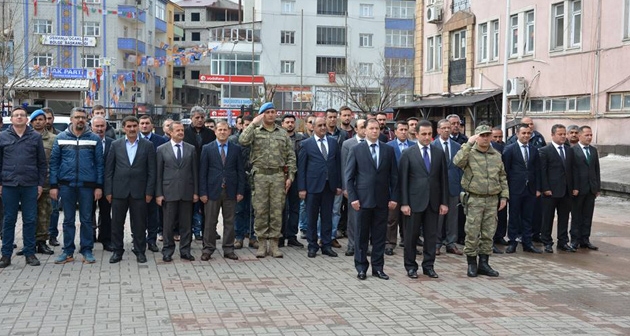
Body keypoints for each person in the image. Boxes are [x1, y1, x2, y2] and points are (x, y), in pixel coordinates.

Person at [239, 102, 296, 258]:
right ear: (262, 114)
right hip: (260, 176)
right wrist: (252, 123)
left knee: (277, 211)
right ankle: (262, 243)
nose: (271, 114)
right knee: (261, 210)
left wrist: (290, 176)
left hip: (278, 176)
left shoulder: (282, 133)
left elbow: (290, 155)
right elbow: (242, 140)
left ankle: (275, 244)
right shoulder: (255, 131)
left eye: (273, 111)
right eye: (268, 112)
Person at [49, 107, 104, 264]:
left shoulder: (94, 139)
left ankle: (87, 250)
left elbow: (100, 165)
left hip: (87, 186)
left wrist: (99, 186)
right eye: (77, 117)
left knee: (87, 219)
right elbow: (54, 163)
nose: (80, 120)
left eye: (83, 117)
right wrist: (54, 185)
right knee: (68, 220)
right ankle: (68, 251)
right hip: (67, 186)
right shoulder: (60, 138)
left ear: (86, 119)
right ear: (71, 119)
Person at [346, 119, 398, 281]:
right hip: (362, 200)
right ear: (365, 131)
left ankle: (378, 268)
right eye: (371, 128)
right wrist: (353, 198)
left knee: (379, 236)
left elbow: (394, 177)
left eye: (377, 128)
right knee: (361, 236)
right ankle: (361, 267)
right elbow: (349, 177)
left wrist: (394, 197)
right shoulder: (356, 149)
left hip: (382, 200)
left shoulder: (388, 150)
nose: (375, 131)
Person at [453, 125, 509, 277]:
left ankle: (484, 263)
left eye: (487, 135)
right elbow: (457, 162)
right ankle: (472, 263)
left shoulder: (496, 155)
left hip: (492, 199)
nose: (485, 138)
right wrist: (468, 143)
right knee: (472, 232)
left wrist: (504, 196)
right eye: (482, 135)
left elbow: (502, 177)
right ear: (476, 137)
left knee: (488, 233)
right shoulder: (469, 153)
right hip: (475, 199)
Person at [400, 120, 449, 279]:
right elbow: (403, 180)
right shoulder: (408, 153)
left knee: (431, 236)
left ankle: (428, 266)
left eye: (429, 134)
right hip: (414, 203)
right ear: (416, 134)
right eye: (424, 134)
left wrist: (444, 202)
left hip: (433, 202)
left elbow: (443, 179)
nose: (427, 137)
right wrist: (404, 203)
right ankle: (411, 266)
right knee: (411, 237)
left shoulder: (438, 153)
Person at [105, 116, 156, 264]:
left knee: (139, 224)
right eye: (129, 126)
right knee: (117, 223)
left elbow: (151, 171)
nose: (132, 129)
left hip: (140, 192)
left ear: (138, 127)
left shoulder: (148, 146)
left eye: (135, 126)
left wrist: (149, 192)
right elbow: (109, 170)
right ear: (123, 128)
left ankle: (140, 251)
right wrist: (108, 191)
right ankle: (117, 251)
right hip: (119, 191)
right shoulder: (116, 145)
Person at [0, 108, 47, 268]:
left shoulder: (35, 137)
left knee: (30, 220)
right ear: (11, 119)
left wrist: (40, 184)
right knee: (8, 220)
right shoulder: (2, 137)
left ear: (27, 119)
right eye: (16, 115)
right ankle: (5, 255)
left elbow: (42, 163)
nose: (19, 117)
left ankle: (29, 253)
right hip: (9, 185)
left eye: (22, 115)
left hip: (30, 185)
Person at [199, 121, 244, 261]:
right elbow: (202, 172)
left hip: (230, 190)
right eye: (220, 130)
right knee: (210, 222)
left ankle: (228, 249)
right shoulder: (207, 148)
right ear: (215, 132)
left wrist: (240, 191)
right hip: (212, 191)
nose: (223, 132)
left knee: (229, 221)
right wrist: (203, 192)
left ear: (229, 131)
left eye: (225, 130)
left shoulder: (236, 149)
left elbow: (240, 171)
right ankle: (208, 249)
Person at [298, 117, 342, 258]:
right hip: (312, 187)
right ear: (313, 127)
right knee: (311, 217)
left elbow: (338, 165)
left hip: (329, 186)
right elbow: (302, 169)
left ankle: (326, 245)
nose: (323, 128)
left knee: (327, 217)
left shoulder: (333, 143)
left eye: (324, 125)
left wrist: (339, 185)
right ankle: (312, 246)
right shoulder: (306, 144)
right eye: (320, 125)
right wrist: (302, 188)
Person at [155, 121, 198, 262]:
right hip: (168, 192)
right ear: (171, 132)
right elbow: (158, 174)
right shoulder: (162, 149)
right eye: (177, 130)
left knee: (186, 224)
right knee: (168, 224)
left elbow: (194, 172)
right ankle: (167, 251)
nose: (180, 132)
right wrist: (159, 193)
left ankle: (185, 251)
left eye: (182, 130)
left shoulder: (191, 149)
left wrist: (196, 192)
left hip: (187, 191)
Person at [503, 123, 542, 254]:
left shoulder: (534, 150)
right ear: (517, 134)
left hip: (530, 189)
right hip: (515, 188)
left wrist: (538, 188)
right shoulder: (510, 149)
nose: (526, 136)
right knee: (514, 216)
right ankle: (512, 242)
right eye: (523, 133)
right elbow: (505, 171)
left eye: (528, 133)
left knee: (528, 217)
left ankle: (527, 242)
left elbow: (537, 170)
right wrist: (506, 190)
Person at [22, 110, 55, 256]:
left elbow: (54, 162)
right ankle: (28, 244)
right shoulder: (24, 137)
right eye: (35, 120)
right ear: (31, 122)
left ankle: (42, 242)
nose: (38, 122)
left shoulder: (53, 139)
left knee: (44, 213)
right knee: (28, 215)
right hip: (27, 182)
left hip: (45, 182)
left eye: (41, 119)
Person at [539, 124, 576, 253]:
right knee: (548, 217)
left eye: (564, 134)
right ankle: (547, 241)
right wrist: (545, 188)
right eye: (560, 134)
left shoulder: (569, 150)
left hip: (566, 191)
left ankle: (563, 241)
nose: (563, 136)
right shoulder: (545, 151)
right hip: (551, 191)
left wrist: (574, 187)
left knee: (564, 217)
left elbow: (573, 170)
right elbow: (542, 172)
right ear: (553, 135)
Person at [183, 106, 216, 240]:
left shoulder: (210, 134)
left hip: (207, 175)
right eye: (197, 117)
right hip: (188, 175)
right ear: (191, 118)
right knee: (188, 209)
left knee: (206, 210)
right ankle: (187, 236)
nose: (200, 120)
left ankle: (206, 237)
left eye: (202, 117)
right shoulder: (184, 133)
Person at [432, 119, 463, 256]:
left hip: (453, 186)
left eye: (448, 128)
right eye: (443, 128)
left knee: (452, 217)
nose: (446, 130)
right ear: (438, 130)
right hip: (437, 188)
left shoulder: (457, 146)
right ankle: (436, 243)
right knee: (438, 217)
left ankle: (451, 243)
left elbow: (461, 167)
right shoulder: (433, 146)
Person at [385, 120, 415, 255]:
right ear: (395, 131)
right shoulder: (388, 147)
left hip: (410, 187)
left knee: (409, 218)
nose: (403, 132)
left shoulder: (414, 146)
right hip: (394, 187)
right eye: (401, 130)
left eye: (405, 130)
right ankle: (390, 243)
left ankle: (408, 242)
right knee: (392, 218)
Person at [139, 115, 167, 253]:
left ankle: (152, 240)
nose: (144, 126)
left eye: (147, 123)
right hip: (137, 183)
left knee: (153, 214)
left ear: (152, 125)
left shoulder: (161, 141)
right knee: (137, 214)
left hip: (154, 182)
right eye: (142, 123)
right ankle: (138, 239)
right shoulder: (133, 140)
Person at [229, 115, 258, 249]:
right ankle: (238, 237)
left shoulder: (257, 140)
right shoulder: (233, 140)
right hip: (238, 179)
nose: (247, 127)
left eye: (250, 125)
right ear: (239, 125)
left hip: (255, 178)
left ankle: (253, 237)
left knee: (254, 210)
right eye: (245, 125)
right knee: (239, 210)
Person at [570, 126, 601, 251]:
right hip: (578, 189)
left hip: (591, 189)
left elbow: (596, 169)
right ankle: (574, 239)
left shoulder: (593, 151)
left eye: (591, 135)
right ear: (580, 136)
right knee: (576, 215)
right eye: (587, 135)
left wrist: (597, 187)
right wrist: (574, 187)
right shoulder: (573, 150)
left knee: (588, 215)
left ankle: (585, 239)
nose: (589, 137)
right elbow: (571, 171)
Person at [340, 117, 366, 256]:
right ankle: (351, 245)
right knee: (352, 217)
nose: (364, 129)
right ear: (356, 129)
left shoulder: (374, 143)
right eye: (362, 127)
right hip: (353, 186)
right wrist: (345, 187)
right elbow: (344, 167)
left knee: (366, 218)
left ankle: (364, 245)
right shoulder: (348, 144)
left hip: (367, 187)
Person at [280, 114, 306, 248]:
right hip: (280, 177)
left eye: (292, 122)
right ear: (282, 124)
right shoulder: (278, 137)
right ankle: (279, 235)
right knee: (280, 208)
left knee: (295, 208)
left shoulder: (302, 139)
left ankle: (291, 236)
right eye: (287, 122)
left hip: (296, 177)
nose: (290, 124)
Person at [90, 116, 115, 252]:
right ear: (91, 127)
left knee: (106, 214)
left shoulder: (113, 143)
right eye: (97, 126)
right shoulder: (86, 141)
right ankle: (89, 239)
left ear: (106, 127)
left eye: (102, 126)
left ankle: (106, 240)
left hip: (107, 185)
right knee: (88, 214)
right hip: (89, 185)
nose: (99, 129)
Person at [324, 108, 348, 247]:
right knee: (323, 210)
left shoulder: (343, 134)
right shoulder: (321, 133)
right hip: (323, 177)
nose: (332, 119)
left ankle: (332, 236)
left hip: (338, 175)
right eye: (330, 117)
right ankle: (321, 236)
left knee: (335, 210)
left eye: (334, 117)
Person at [491, 126, 508, 253]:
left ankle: (500, 236)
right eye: (495, 137)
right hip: (487, 189)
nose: (498, 139)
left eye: (500, 137)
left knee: (502, 213)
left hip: (500, 186)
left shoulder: (505, 148)